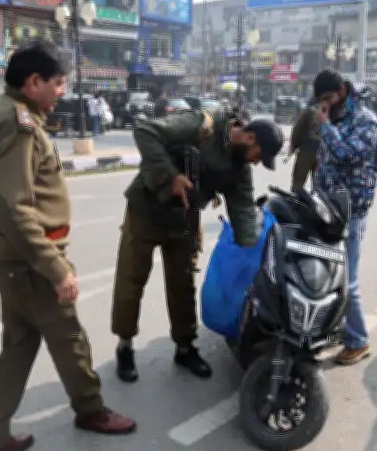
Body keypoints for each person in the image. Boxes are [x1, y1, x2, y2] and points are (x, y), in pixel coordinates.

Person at [0, 40, 137, 451]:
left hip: (11, 255)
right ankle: (91, 411)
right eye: (58, 83)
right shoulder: (19, 124)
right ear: (33, 82)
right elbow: (14, 206)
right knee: (70, 339)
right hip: (31, 259)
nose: (62, 92)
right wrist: (55, 268)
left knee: (19, 345)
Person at [110, 107, 285, 383]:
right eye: (258, 157)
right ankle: (125, 346)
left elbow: (242, 210)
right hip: (146, 211)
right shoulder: (203, 125)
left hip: (184, 219)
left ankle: (185, 347)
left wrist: (258, 252)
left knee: (183, 284)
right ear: (249, 138)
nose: (255, 163)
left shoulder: (238, 168)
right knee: (131, 281)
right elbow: (145, 132)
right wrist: (171, 176)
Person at [312, 69, 377, 366]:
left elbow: (345, 154)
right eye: (321, 101)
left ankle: (359, 340)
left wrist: (325, 126)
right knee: (331, 276)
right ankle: (340, 329)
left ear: (342, 90)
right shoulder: (338, 115)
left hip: (351, 211)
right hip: (330, 207)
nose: (324, 105)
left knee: (348, 281)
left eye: (328, 98)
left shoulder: (364, 120)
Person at [288, 97, 320, 191]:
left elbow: (297, 128)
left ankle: (295, 204)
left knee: (298, 183)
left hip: (306, 151)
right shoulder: (328, 110)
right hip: (322, 154)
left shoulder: (307, 111)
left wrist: (293, 145)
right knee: (319, 186)